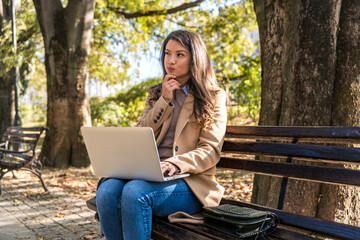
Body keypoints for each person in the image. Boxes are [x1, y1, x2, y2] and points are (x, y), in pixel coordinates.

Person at [95, 30, 227, 240]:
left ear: (195, 58)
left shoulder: (213, 96)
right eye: (167, 53)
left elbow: (210, 150)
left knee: (135, 193)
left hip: (189, 182)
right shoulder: (156, 93)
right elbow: (140, 135)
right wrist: (163, 101)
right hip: (149, 173)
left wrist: (175, 164)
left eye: (180, 54)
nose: (171, 61)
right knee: (106, 191)